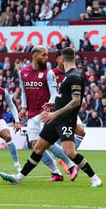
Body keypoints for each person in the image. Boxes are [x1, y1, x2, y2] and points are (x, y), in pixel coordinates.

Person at [0, 47, 102, 188]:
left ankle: (94, 178)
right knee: (38, 149)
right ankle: (19, 177)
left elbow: (76, 101)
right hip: (54, 119)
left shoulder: (74, 76)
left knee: (70, 152)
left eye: (57, 57)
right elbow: (66, 97)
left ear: (62, 58)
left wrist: (56, 112)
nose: (51, 59)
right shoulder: (68, 75)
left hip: (65, 120)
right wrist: (54, 103)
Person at [16, 45, 78, 182]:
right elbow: (24, 91)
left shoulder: (49, 73)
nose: (46, 58)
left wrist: (49, 108)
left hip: (44, 112)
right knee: (35, 144)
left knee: (45, 143)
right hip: (31, 114)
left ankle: (70, 164)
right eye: (44, 55)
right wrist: (24, 107)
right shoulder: (23, 72)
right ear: (35, 56)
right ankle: (56, 172)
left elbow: (54, 94)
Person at [53, 51, 87, 171]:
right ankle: (56, 164)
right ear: (60, 59)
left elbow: (77, 90)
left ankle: (64, 158)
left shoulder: (73, 73)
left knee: (81, 132)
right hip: (58, 108)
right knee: (51, 138)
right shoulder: (52, 74)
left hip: (70, 108)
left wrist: (83, 99)